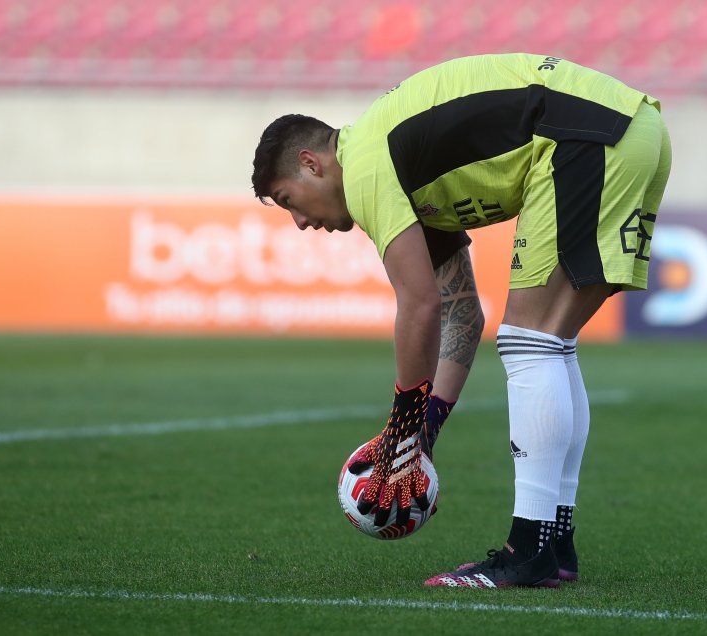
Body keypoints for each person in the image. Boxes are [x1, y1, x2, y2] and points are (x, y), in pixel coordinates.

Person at [251, 53, 671, 589]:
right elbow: (462, 315)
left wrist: (403, 425)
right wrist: (426, 429)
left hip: (587, 137)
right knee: (551, 342)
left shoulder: (365, 167)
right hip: (631, 130)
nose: (302, 222)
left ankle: (528, 552)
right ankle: (554, 543)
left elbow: (420, 304)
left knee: (529, 342)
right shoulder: (402, 168)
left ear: (312, 163)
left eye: (290, 201)